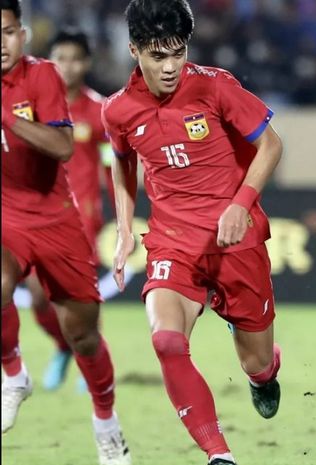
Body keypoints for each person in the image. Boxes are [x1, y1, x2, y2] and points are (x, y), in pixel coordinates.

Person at [103, 1, 283, 464]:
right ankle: (218, 454)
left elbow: (270, 144)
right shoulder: (119, 110)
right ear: (134, 50)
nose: (169, 67)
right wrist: (125, 230)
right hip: (172, 242)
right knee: (165, 340)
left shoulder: (215, 86)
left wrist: (241, 205)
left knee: (257, 363)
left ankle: (263, 376)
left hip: (235, 240)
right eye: (157, 56)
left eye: (177, 54)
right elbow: (123, 163)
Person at [1, 1, 131, 464]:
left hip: (63, 220)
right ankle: (14, 372)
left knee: (86, 336)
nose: (1, 42)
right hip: (6, 218)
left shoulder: (47, 82)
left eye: (9, 31)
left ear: (24, 35)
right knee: (19, 292)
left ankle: (105, 422)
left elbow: (63, 146)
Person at [22, 29, 115, 392]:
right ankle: (63, 347)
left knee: (80, 297)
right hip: (36, 213)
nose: (68, 66)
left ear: (87, 63)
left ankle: (91, 361)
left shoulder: (97, 111)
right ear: (49, 61)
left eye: (76, 59)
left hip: (81, 218)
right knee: (38, 295)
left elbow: (111, 164)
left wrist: (119, 209)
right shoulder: (32, 106)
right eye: (60, 58)